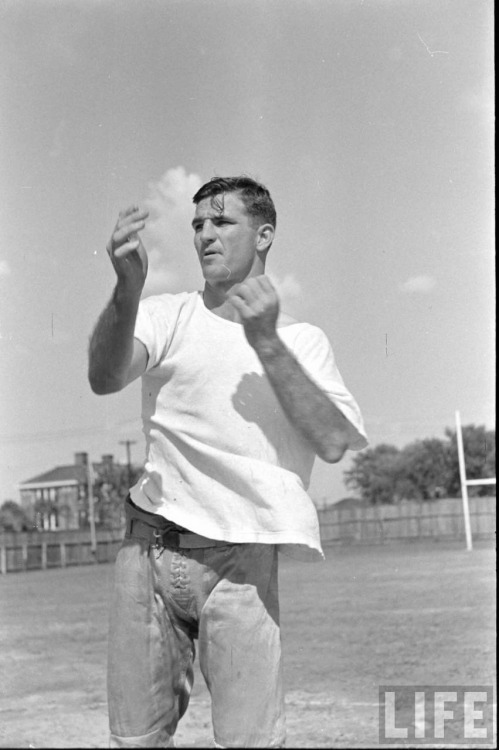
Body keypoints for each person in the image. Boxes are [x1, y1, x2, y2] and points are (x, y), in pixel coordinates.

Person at [88, 175, 368, 748]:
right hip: (149, 550)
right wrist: (127, 287)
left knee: (250, 742)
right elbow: (104, 377)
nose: (204, 235)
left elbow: (335, 440)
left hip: (241, 564)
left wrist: (265, 339)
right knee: (135, 740)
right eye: (197, 225)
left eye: (222, 222)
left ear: (264, 235)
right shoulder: (167, 315)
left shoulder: (303, 339)